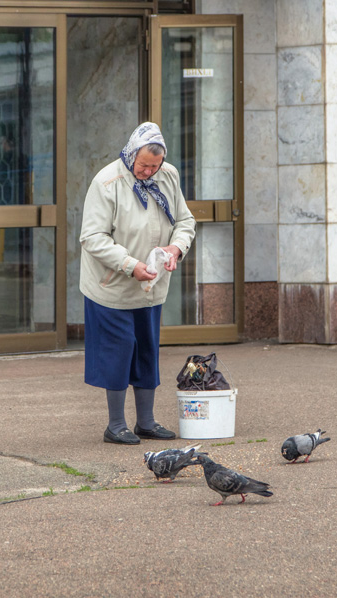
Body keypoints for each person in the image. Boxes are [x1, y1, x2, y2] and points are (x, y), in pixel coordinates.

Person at [79, 122, 196, 445]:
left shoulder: (167, 175)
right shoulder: (107, 182)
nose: (148, 172)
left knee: (146, 351)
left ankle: (146, 421)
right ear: (131, 155)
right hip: (111, 286)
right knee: (118, 351)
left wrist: (176, 247)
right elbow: (92, 237)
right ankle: (116, 425)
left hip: (152, 285)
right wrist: (131, 266)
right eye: (143, 165)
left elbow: (185, 221)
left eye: (154, 166)